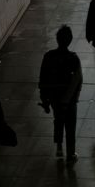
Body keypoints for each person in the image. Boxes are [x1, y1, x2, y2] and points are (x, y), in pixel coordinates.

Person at [39, 25, 83, 163]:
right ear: (70, 40)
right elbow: (78, 79)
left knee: (58, 119)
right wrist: (74, 98)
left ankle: (59, 146)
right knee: (70, 125)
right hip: (69, 99)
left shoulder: (48, 56)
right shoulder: (73, 58)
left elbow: (43, 79)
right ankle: (70, 153)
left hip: (54, 96)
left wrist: (45, 99)